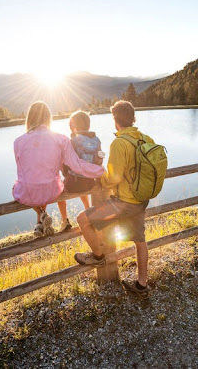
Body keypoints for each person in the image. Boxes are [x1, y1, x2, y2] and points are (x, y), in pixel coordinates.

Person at [74, 100, 153, 298]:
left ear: (115, 121)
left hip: (123, 204)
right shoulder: (145, 138)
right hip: (141, 200)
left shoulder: (119, 142)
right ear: (133, 118)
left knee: (82, 220)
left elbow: (113, 178)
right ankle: (142, 284)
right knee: (140, 241)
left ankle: (98, 256)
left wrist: (101, 178)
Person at [13, 101, 105, 238]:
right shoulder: (60, 139)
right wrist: (99, 170)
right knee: (49, 182)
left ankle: (40, 214)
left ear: (29, 118)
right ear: (48, 117)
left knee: (19, 186)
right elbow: (76, 165)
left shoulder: (18, 141)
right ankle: (42, 216)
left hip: (27, 194)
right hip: (52, 191)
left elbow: (21, 172)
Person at [57, 110, 104, 232]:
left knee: (58, 188)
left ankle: (64, 220)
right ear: (88, 126)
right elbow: (99, 161)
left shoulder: (71, 141)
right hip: (90, 182)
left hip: (74, 184)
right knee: (82, 176)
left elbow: (65, 164)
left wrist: (65, 174)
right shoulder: (96, 140)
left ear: (73, 127)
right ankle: (88, 209)